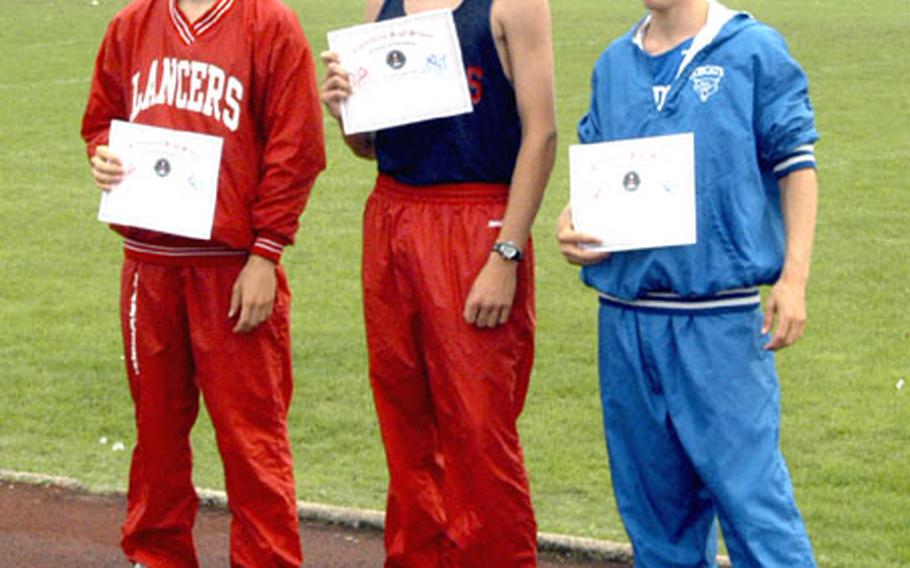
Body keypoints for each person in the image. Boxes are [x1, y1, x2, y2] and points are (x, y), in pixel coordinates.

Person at [556, 0, 819, 565]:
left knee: (754, 507)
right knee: (654, 520)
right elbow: (601, 174)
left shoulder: (752, 50)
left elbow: (797, 162)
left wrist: (793, 278)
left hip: (717, 321)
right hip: (625, 318)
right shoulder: (613, 65)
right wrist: (569, 220)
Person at [81, 0, 325, 565]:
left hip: (232, 267)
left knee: (252, 442)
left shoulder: (269, 24)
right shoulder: (130, 24)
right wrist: (103, 157)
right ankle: (155, 555)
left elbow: (298, 147)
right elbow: (102, 122)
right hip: (149, 263)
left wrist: (266, 252)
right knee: (157, 435)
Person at [320, 0, 556, 565]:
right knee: (403, 419)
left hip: (475, 218)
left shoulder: (513, 5)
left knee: (479, 428)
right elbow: (371, 145)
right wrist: (345, 111)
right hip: (393, 214)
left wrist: (506, 251)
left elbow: (541, 133)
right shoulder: (383, 5)